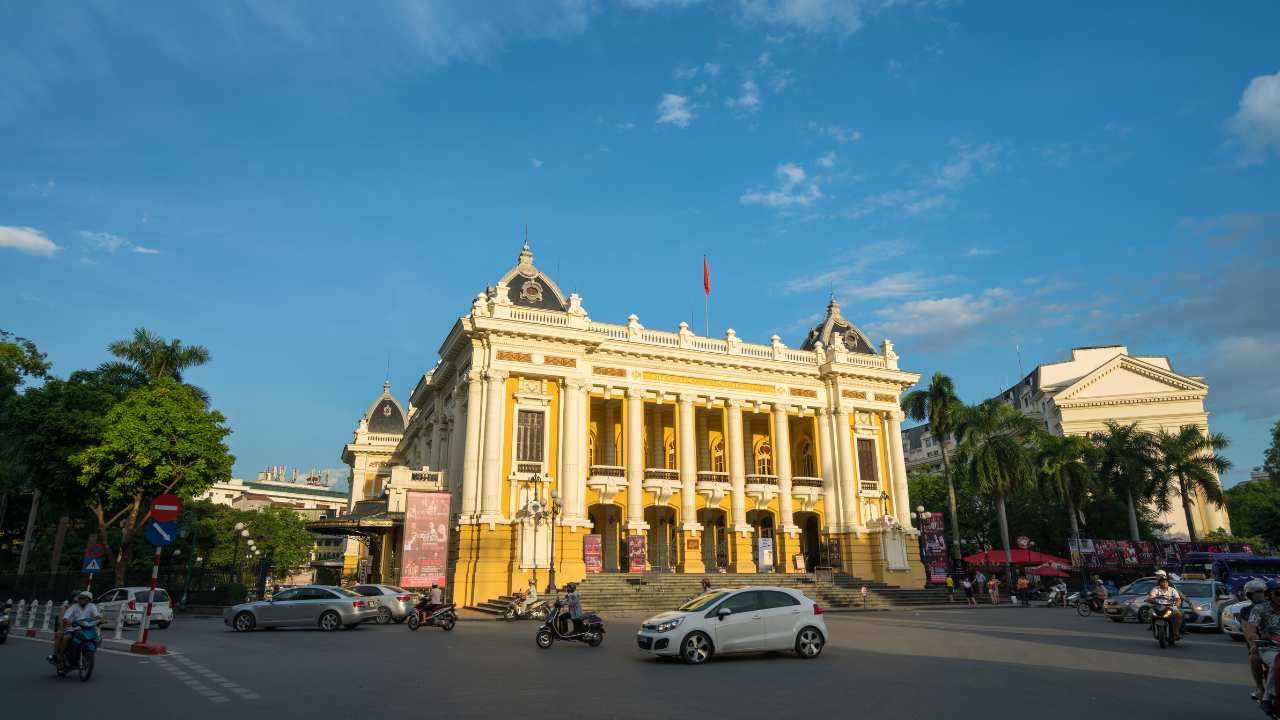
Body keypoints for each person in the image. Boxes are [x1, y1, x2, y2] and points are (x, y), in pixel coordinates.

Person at [49, 590, 100, 667]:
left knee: (97, 638)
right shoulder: (70, 607)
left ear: (88, 600)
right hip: (71, 628)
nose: (79, 599)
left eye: (81, 598)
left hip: (85, 628)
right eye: (78, 597)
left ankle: (87, 654)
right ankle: (59, 656)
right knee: (65, 637)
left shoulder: (91, 606)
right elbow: (63, 619)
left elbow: (96, 615)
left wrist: (101, 619)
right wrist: (66, 622)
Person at [1252, 580, 1280, 715]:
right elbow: (1251, 630)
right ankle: (1267, 698)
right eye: (1278, 593)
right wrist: (1254, 640)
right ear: (1269, 595)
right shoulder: (1260, 609)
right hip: (1270, 647)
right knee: (1277, 664)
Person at [1241, 579, 1272, 702]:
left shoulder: (1274, 607)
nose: (1260, 595)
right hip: (1262, 645)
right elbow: (1248, 631)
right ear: (1249, 595)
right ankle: (1260, 688)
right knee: (1254, 657)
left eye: (1262, 592)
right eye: (1256, 592)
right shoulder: (1247, 611)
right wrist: (1254, 643)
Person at [1146, 574, 1184, 641]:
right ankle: (1152, 626)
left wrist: (1178, 603)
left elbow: (1178, 599)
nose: (1165, 583)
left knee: (1178, 614)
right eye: (1163, 581)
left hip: (1171, 607)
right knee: (1150, 612)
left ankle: (1176, 632)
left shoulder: (1172, 590)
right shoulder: (1155, 589)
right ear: (1159, 583)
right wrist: (1150, 599)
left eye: (1166, 582)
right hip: (1158, 606)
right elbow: (1151, 597)